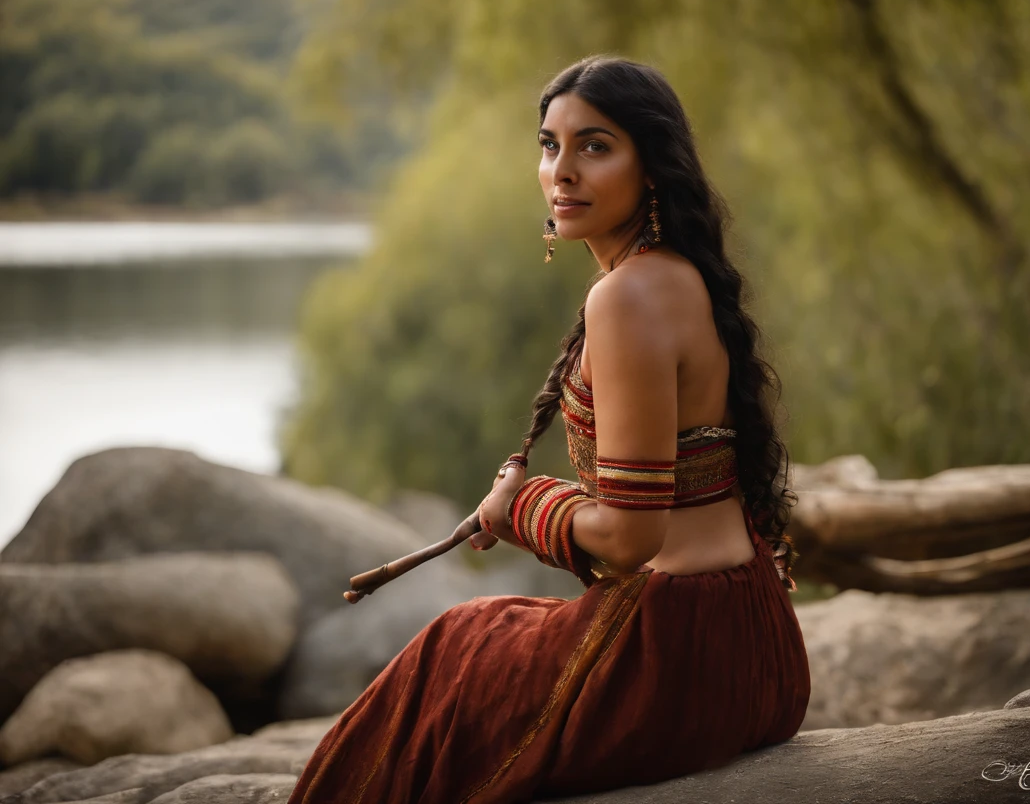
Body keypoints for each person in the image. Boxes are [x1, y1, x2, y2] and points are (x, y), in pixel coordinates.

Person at [286, 55, 810, 804]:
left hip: (682, 655)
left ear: (653, 165)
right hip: (755, 640)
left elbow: (633, 539)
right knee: (478, 633)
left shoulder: (627, 297)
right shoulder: (676, 275)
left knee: (449, 654)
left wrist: (519, 509)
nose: (562, 170)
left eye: (595, 146)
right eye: (549, 145)